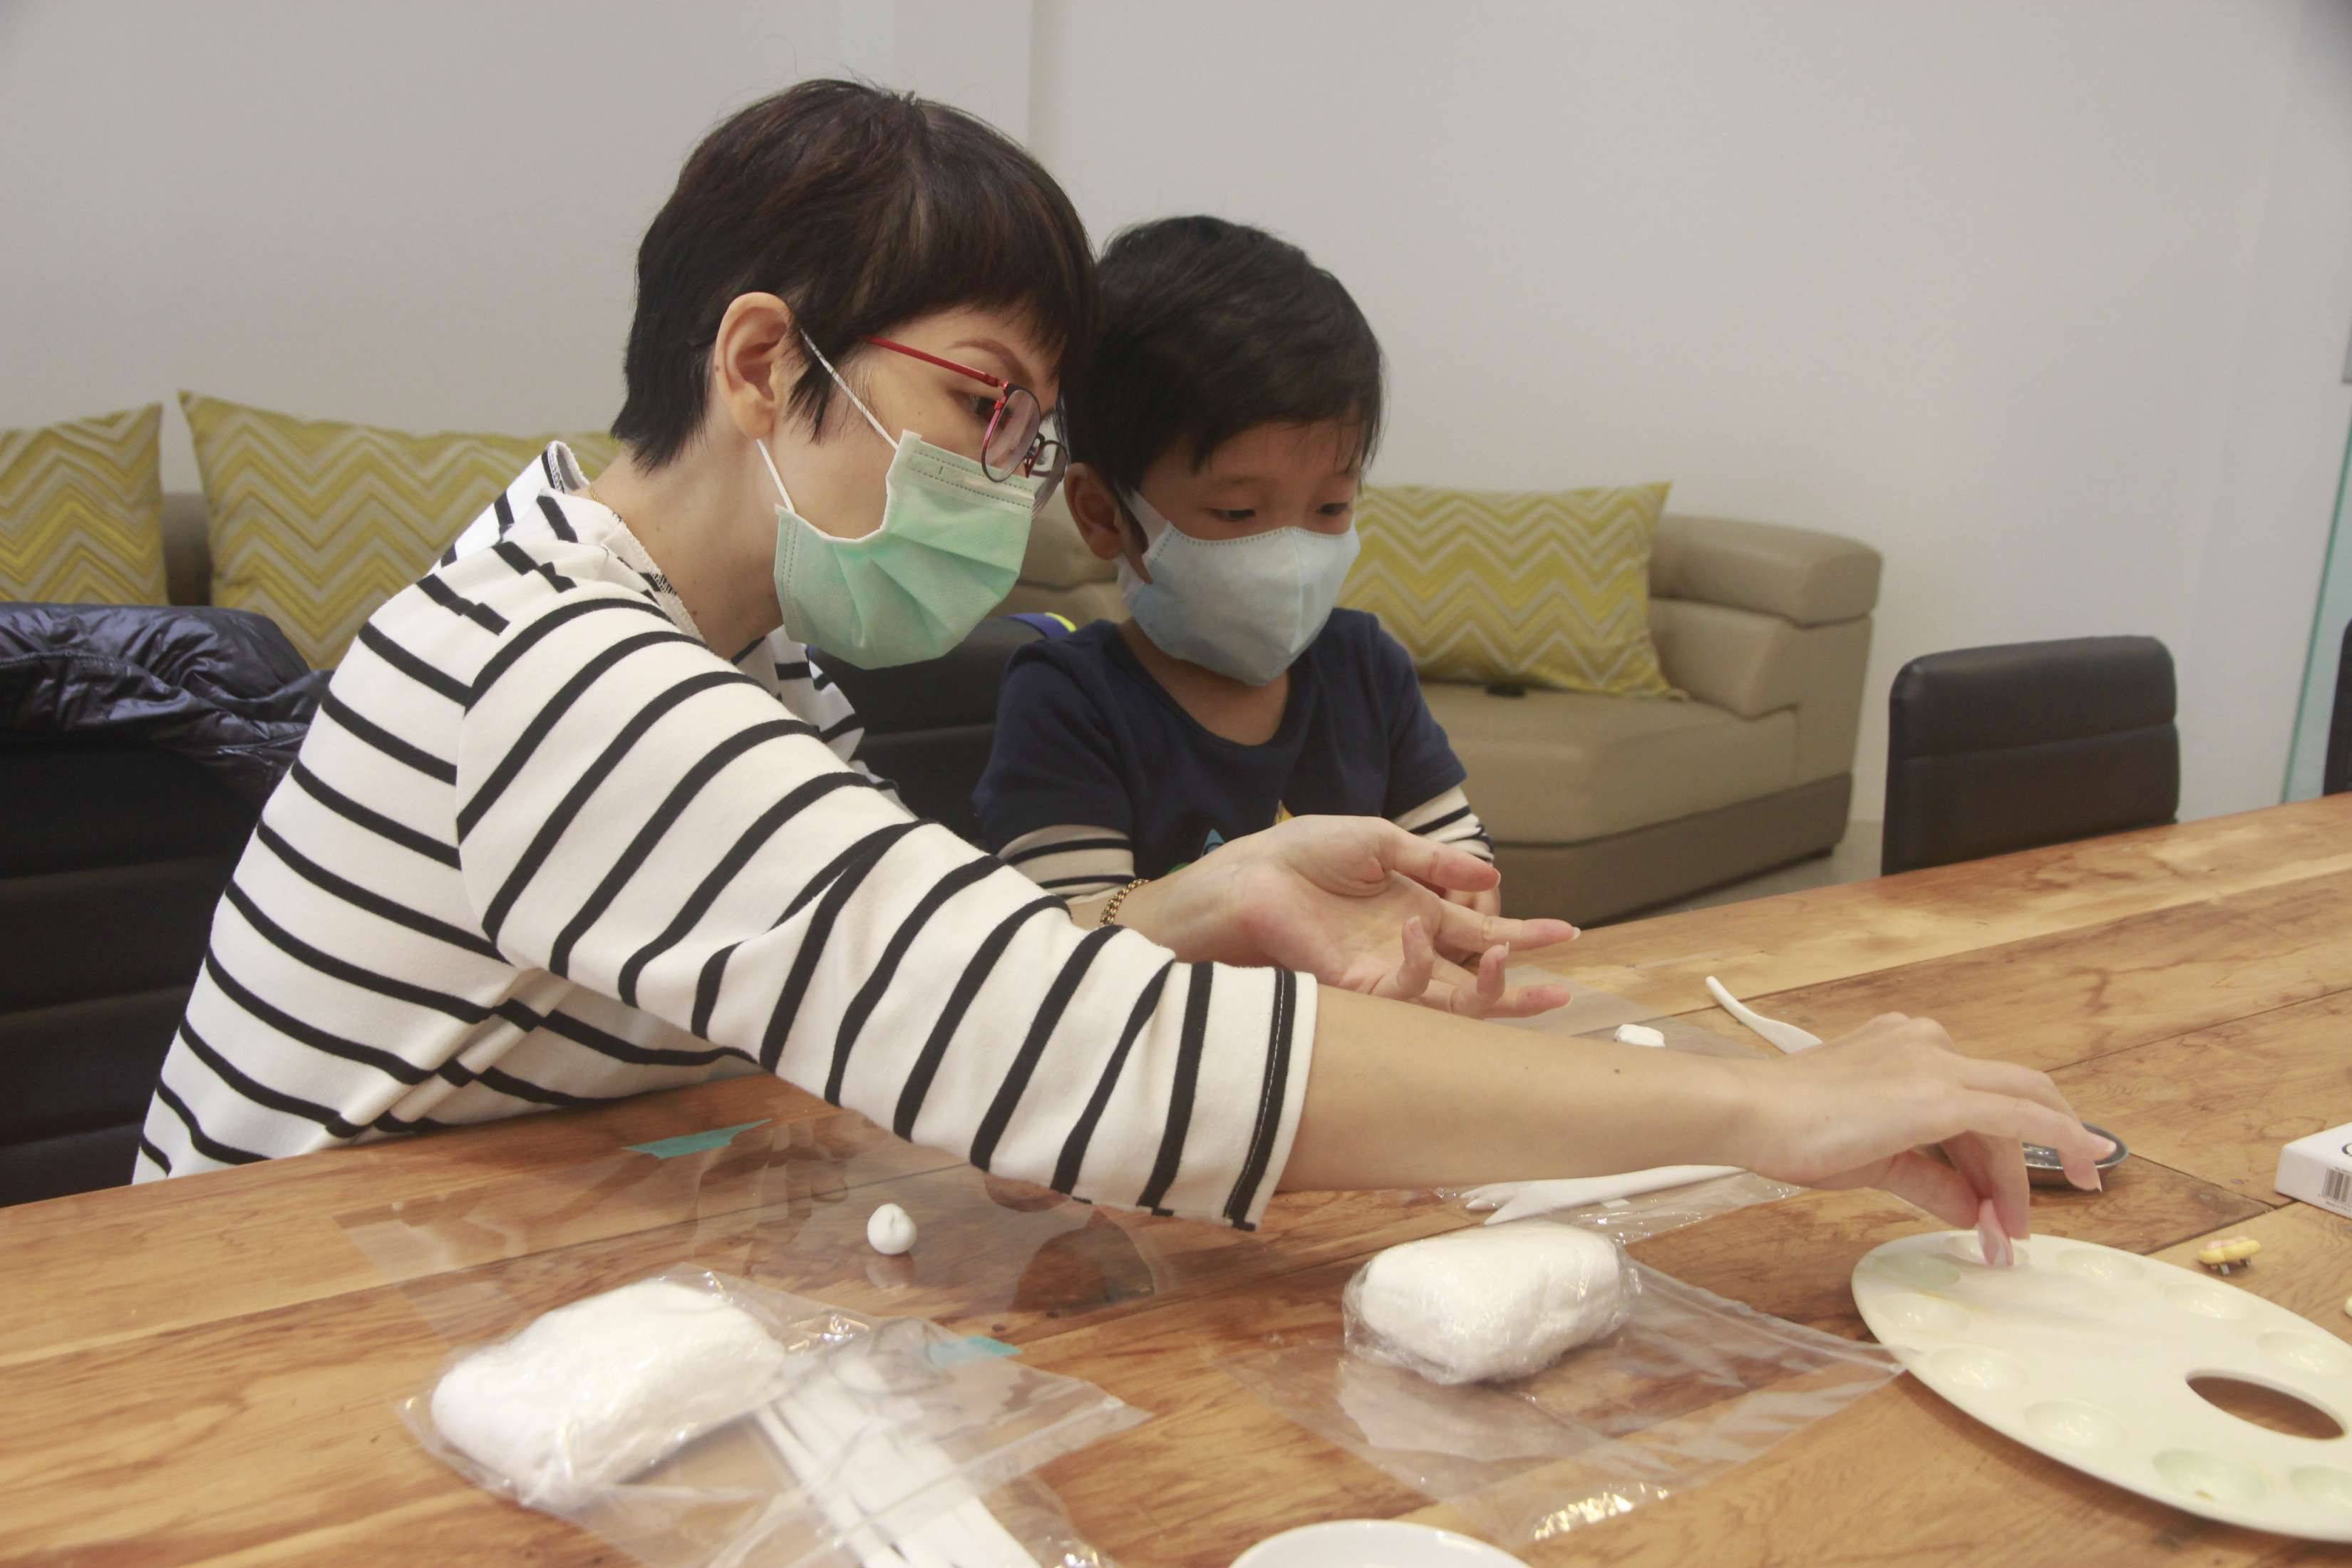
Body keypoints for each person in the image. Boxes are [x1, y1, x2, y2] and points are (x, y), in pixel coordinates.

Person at [135, 81, 2109, 1252]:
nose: (1010, 484)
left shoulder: (727, 659)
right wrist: (1758, 1112)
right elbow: (1078, 1062)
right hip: (261, 1322)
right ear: (759, 361)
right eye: (980, 404)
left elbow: (921, 1001)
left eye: (1032, 432)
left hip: (484, 1259)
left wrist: (1195, 897)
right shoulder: (571, 680)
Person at [974, 217, 1509, 933]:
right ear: (1104, 515)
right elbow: (1066, 937)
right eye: (1237, 512)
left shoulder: (1367, 670)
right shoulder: (1069, 701)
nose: (1290, 558)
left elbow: (1459, 859)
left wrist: (1459, 899)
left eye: (1330, 507)